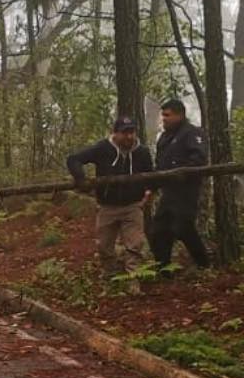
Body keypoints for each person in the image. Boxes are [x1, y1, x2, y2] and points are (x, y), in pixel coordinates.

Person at [66, 116, 154, 288]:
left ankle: (133, 281)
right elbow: (73, 159)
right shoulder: (102, 148)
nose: (129, 136)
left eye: (132, 132)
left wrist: (149, 192)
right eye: (125, 133)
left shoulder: (142, 152)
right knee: (104, 246)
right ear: (115, 133)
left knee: (134, 245)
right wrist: (81, 179)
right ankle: (111, 277)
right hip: (107, 206)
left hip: (133, 205)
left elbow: (150, 174)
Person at [148, 99, 210, 272]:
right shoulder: (164, 137)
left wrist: (179, 173)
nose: (164, 119)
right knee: (159, 231)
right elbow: (160, 167)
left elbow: (199, 159)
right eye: (163, 115)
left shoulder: (192, 133)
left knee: (183, 227)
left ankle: (204, 264)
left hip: (186, 191)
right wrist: (152, 188)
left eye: (167, 115)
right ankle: (164, 269)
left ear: (180, 115)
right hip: (168, 193)